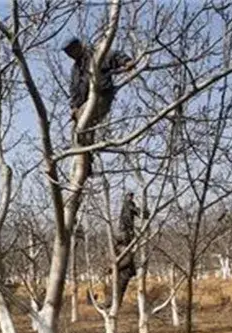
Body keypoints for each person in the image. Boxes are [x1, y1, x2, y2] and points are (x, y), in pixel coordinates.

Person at [63, 37, 134, 171]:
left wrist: (127, 61)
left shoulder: (96, 55)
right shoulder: (76, 69)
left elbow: (115, 55)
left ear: (78, 46)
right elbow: (74, 90)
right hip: (85, 103)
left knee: (84, 123)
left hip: (101, 96)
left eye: (71, 51)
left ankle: (86, 160)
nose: (71, 55)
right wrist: (73, 107)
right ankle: (84, 161)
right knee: (77, 131)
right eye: (68, 54)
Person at [113, 192, 149, 306]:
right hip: (125, 234)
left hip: (125, 236)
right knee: (127, 265)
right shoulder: (127, 204)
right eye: (129, 196)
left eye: (131, 196)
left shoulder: (128, 205)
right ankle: (115, 301)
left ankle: (116, 301)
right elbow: (135, 213)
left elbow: (138, 213)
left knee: (127, 270)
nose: (131, 197)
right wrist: (143, 212)